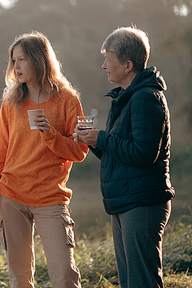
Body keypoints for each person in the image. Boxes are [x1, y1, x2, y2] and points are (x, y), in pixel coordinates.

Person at [0, 31, 89, 288]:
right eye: (13, 61)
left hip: (51, 196)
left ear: (39, 61)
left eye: (22, 60)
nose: (15, 67)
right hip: (12, 194)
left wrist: (50, 134)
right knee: (19, 277)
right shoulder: (11, 102)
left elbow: (80, 151)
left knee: (64, 273)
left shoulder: (67, 100)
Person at [74, 26, 174, 288]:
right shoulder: (125, 98)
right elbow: (121, 153)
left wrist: (102, 138)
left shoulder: (145, 98)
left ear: (128, 65)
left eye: (108, 59)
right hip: (126, 201)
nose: (104, 65)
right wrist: (93, 141)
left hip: (142, 202)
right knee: (130, 282)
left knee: (142, 281)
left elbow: (143, 153)